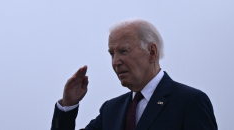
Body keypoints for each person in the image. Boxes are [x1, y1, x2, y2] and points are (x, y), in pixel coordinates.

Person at [51, 19, 217, 130]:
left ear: (151, 52)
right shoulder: (111, 110)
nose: (115, 62)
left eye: (123, 51)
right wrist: (68, 106)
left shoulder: (189, 102)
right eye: (111, 53)